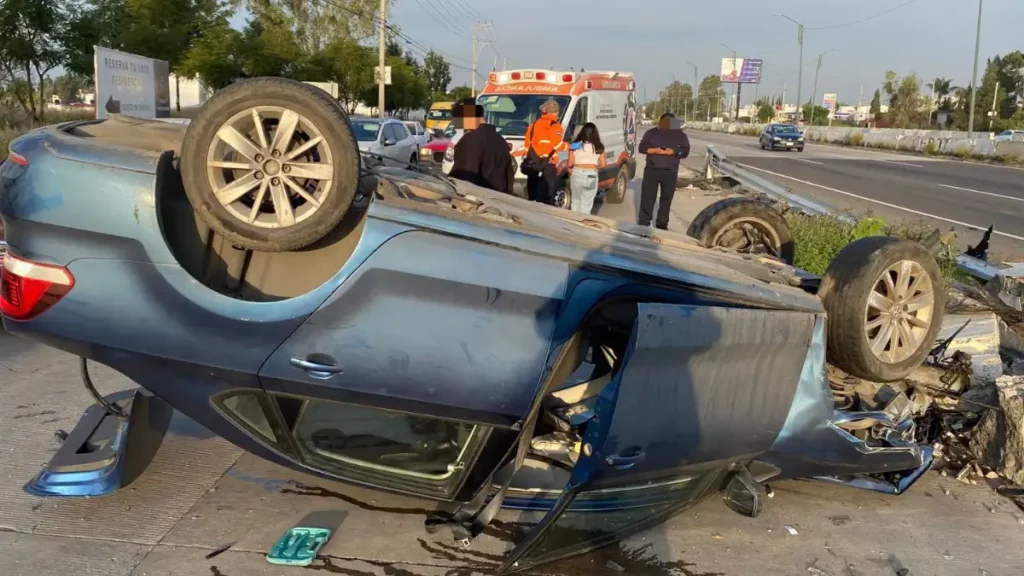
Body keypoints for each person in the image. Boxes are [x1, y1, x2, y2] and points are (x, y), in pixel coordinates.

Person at [448, 98, 515, 194]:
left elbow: (465, 177)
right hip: (499, 201)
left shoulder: (471, 140)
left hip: (477, 202)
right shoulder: (500, 141)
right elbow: (509, 179)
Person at [637, 113, 690, 230]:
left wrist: (674, 152)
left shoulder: (681, 135)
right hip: (652, 170)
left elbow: (685, 151)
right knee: (648, 197)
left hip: (670, 171)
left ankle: (662, 223)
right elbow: (641, 148)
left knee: (666, 199)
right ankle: (644, 223)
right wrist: (655, 150)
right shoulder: (651, 133)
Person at [522, 98, 568, 204]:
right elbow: (558, 146)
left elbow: (526, 146)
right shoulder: (555, 126)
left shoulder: (532, 126)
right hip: (548, 163)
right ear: (556, 112)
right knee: (548, 192)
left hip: (533, 161)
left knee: (532, 188)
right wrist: (569, 146)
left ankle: (532, 202)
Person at [567, 123, 606, 214]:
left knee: (575, 201)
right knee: (586, 205)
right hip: (591, 175)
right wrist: (595, 166)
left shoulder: (575, 146)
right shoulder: (599, 147)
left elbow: (570, 164)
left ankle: (573, 224)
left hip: (577, 173)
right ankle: (582, 225)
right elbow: (603, 164)